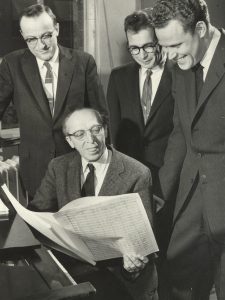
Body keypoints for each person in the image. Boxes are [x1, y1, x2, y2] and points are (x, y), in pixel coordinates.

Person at [29, 107, 158, 300]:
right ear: (69, 141)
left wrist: (133, 263)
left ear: (105, 130)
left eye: (96, 130)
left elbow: (142, 243)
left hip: (121, 277)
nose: (90, 140)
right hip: (74, 271)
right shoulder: (58, 167)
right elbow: (37, 214)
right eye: (80, 134)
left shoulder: (137, 173)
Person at [151, 0, 225, 299]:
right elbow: (181, 135)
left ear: (201, 28)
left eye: (175, 44)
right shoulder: (181, 66)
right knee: (177, 282)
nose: (168, 56)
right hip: (192, 199)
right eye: (163, 46)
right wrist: (159, 194)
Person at [0, 4, 108, 198]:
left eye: (46, 35)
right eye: (31, 39)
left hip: (79, 163)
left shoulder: (83, 63)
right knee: (41, 224)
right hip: (35, 168)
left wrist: (104, 161)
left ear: (57, 29)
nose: (41, 45)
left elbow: (101, 115)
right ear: (23, 36)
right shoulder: (11, 64)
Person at [107, 9, 174, 196]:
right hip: (131, 177)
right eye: (134, 48)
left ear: (159, 40)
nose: (142, 55)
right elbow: (115, 133)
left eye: (148, 46)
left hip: (169, 176)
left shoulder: (180, 75)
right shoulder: (118, 77)